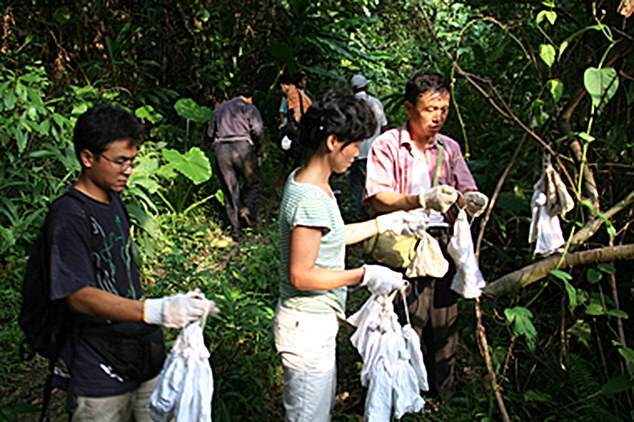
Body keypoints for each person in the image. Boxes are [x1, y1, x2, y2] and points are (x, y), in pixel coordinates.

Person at [273, 89, 452, 421]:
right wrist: (364, 274)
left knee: (315, 412)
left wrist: (383, 223)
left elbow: (333, 237)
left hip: (314, 321)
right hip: (306, 325)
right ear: (332, 142)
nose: (357, 153)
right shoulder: (310, 199)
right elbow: (302, 274)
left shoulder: (310, 182)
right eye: (354, 144)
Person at [45, 104, 217, 421]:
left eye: (132, 162)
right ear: (87, 158)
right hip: (97, 368)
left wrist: (172, 308)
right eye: (119, 161)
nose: (128, 170)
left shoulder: (114, 201)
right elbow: (78, 295)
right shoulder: (68, 216)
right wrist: (155, 310)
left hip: (141, 355)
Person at [365, 72, 489, 398]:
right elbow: (377, 197)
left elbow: (465, 188)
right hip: (404, 244)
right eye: (431, 109)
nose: (438, 117)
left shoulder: (449, 148)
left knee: (445, 321)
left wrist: (470, 201)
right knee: (407, 319)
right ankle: (401, 395)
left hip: (442, 243)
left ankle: (443, 396)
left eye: (444, 109)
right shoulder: (388, 145)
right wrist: (419, 200)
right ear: (409, 108)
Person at [207, 87, 264, 240]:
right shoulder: (249, 108)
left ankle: (236, 231)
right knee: (253, 183)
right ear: (249, 98)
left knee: (230, 189)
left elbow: (210, 133)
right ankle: (247, 211)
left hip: (221, 150)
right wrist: (258, 148)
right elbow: (258, 130)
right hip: (243, 148)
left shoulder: (220, 109)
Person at [348, 74, 388, 221]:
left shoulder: (350, 105)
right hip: (374, 151)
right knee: (372, 184)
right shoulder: (376, 103)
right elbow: (384, 126)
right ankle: (373, 213)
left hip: (354, 152)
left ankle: (356, 213)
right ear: (366, 86)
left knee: (356, 184)